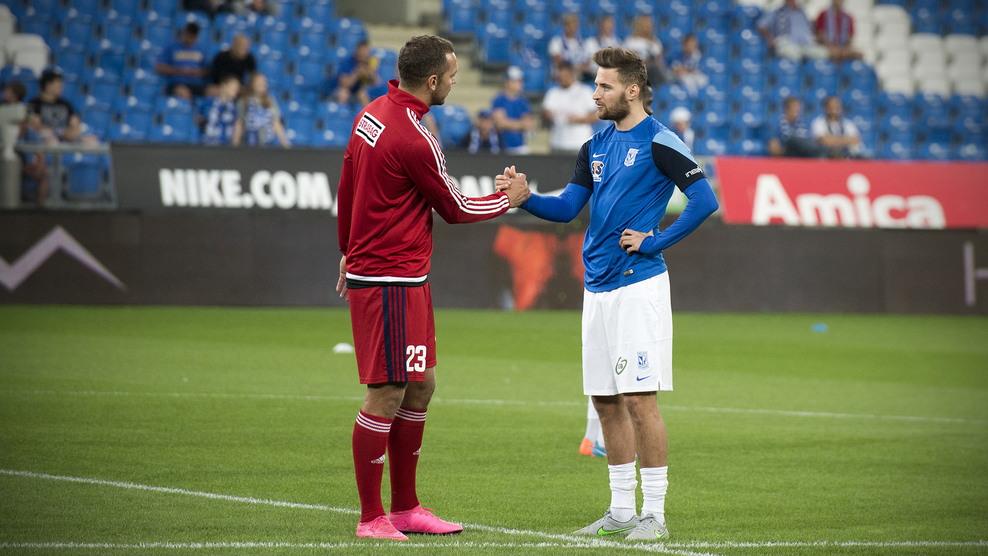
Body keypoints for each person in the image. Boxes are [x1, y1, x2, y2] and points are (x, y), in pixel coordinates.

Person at [497, 46, 718, 541]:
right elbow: (568, 207)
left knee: (640, 400)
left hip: (637, 285)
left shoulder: (661, 141)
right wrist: (527, 200)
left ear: (632, 90)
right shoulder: (594, 145)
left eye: (604, 86)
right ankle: (620, 511)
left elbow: (704, 200)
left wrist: (654, 242)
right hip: (596, 287)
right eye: (595, 85)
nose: (595, 94)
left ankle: (654, 515)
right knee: (604, 400)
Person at [335, 34, 530, 541]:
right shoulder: (413, 135)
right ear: (433, 80)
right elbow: (455, 207)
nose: (456, 82)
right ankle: (371, 518)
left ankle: (405, 508)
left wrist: (347, 248)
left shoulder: (373, 113)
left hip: (403, 276)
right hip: (390, 278)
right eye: (453, 75)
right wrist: (508, 200)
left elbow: (348, 182)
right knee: (387, 392)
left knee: (421, 384)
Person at [2, 82, 49, 207]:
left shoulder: (31, 133)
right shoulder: (4, 128)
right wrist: (21, 168)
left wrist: (38, 169)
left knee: (45, 174)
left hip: (27, 166)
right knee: (10, 168)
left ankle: (41, 209)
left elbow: (40, 154)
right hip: (9, 164)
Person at [26, 71, 97, 146]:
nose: (61, 88)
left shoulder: (65, 103)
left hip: (66, 135)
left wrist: (71, 132)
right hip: (46, 137)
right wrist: (57, 131)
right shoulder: (34, 104)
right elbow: (34, 125)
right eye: (58, 86)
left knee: (91, 141)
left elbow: (75, 122)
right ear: (48, 85)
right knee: (52, 142)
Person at [542, 62, 597, 154]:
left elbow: (594, 117)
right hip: (557, 143)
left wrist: (578, 119)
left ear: (572, 75)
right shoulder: (553, 92)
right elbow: (546, 113)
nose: (561, 79)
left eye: (564, 76)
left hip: (579, 143)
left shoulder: (585, 91)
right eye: (559, 77)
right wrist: (547, 115)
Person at [232, 72, 290, 147]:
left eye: (264, 82)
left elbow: (276, 122)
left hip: (267, 145)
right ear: (252, 84)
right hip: (248, 144)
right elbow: (239, 123)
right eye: (259, 82)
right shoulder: (244, 101)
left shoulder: (270, 101)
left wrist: (285, 143)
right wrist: (235, 144)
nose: (263, 84)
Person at [757, 0, 828, 61]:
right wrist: (770, 37)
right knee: (794, 54)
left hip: (805, 44)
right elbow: (761, 25)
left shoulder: (802, 13)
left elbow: (811, 30)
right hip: (786, 43)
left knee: (822, 54)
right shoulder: (777, 11)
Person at [156, 23, 210, 99]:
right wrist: (179, 71)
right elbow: (159, 67)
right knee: (184, 93)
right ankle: (192, 107)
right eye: (189, 36)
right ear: (184, 33)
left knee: (213, 91)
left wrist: (195, 72)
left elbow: (207, 70)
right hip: (177, 84)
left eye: (193, 37)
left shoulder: (201, 49)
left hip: (197, 84)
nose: (190, 39)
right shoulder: (171, 47)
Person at [491, 66, 535, 155]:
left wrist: (508, 123)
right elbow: (500, 124)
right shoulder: (499, 100)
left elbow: (528, 124)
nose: (521, 84)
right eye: (517, 81)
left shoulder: (524, 102)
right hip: (502, 147)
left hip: (520, 146)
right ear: (508, 82)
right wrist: (521, 124)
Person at [623, 15, 669, 86]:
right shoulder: (631, 41)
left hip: (653, 71)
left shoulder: (655, 43)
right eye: (644, 26)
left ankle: (665, 87)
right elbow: (627, 60)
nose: (646, 28)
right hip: (637, 70)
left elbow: (660, 61)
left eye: (648, 26)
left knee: (658, 69)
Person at [334, 40, 383, 107]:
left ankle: (370, 112)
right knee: (343, 93)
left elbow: (379, 83)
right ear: (356, 52)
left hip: (366, 92)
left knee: (363, 94)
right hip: (350, 91)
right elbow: (344, 84)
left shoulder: (372, 62)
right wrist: (356, 74)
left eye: (365, 53)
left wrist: (372, 75)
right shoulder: (347, 62)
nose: (363, 55)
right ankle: (342, 112)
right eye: (361, 53)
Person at [200, 74, 240, 145]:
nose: (236, 90)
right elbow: (198, 119)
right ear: (224, 86)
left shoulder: (235, 107)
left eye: (237, 88)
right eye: (233, 87)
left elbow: (237, 127)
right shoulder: (209, 103)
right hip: (207, 144)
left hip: (226, 146)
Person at [549, 13, 591, 78]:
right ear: (565, 26)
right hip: (563, 76)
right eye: (569, 25)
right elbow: (558, 61)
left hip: (581, 75)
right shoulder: (557, 41)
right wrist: (575, 67)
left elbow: (588, 63)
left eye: (574, 25)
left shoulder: (583, 43)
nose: (572, 28)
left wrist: (582, 68)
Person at [584, 15, 622, 79]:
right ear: (600, 26)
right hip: (595, 74)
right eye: (606, 25)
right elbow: (588, 62)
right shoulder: (591, 42)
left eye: (610, 25)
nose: (608, 27)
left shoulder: (618, 43)